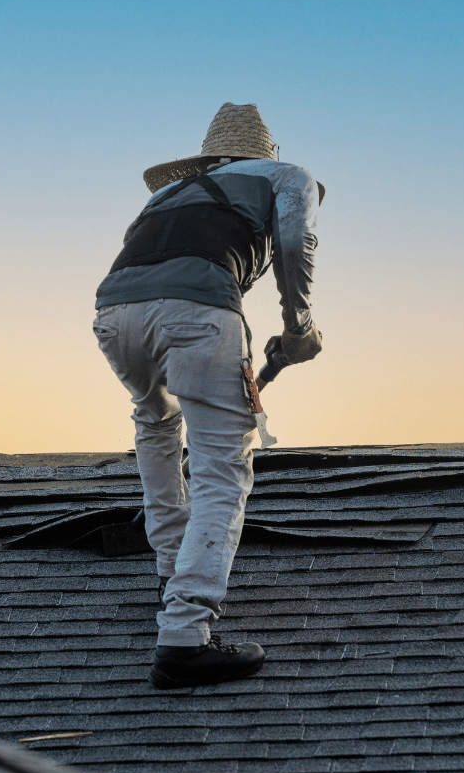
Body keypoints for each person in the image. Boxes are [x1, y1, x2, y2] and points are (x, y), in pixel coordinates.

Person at [93, 102, 324, 689]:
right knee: (224, 468)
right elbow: (297, 243)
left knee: (155, 424)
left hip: (114, 311)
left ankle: (173, 573)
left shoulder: (165, 198)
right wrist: (298, 329)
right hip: (197, 313)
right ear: (264, 153)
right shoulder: (287, 176)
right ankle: (185, 635)